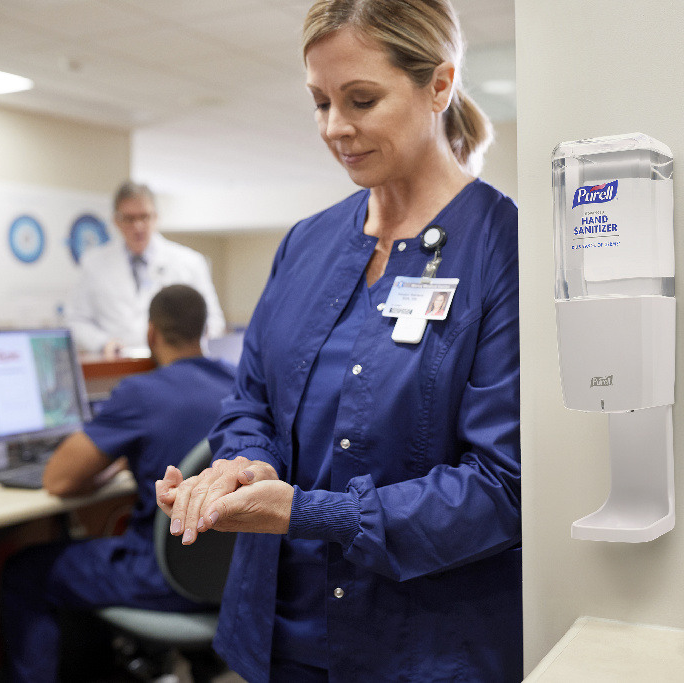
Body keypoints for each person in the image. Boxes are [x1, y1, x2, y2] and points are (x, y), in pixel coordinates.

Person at [156, 1, 521, 681]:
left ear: (439, 85)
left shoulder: (504, 247)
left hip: (423, 648)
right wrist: (247, 466)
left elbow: (501, 487)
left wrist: (306, 510)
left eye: (361, 99)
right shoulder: (306, 244)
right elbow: (250, 404)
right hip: (274, 637)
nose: (334, 128)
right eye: (320, 101)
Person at [1, 285, 237, 682]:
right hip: (235, 576)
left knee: (25, 570)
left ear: (151, 334)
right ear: (205, 330)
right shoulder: (240, 385)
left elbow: (57, 479)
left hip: (161, 579)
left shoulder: (142, 393)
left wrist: (110, 464)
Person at [67, 180, 226, 358]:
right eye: (129, 219)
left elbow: (214, 321)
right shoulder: (93, 264)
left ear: (156, 217)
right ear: (116, 221)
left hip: (173, 366)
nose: (138, 226)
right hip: (116, 367)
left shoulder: (190, 262)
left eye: (144, 217)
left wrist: (186, 347)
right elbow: (76, 320)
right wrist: (102, 342)